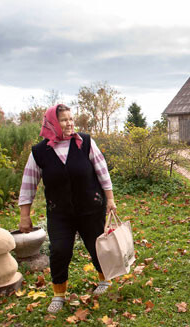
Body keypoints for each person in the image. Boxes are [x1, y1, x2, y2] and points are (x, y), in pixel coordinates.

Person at [18, 104, 117, 313]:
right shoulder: (39, 152)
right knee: (59, 250)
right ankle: (59, 293)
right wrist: (24, 215)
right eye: (64, 119)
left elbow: (102, 171)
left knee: (96, 245)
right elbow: (28, 183)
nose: (70, 123)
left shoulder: (86, 143)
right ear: (52, 123)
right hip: (60, 212)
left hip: (90, 207)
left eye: (71, 119)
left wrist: (110, 199)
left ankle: (104, 279)